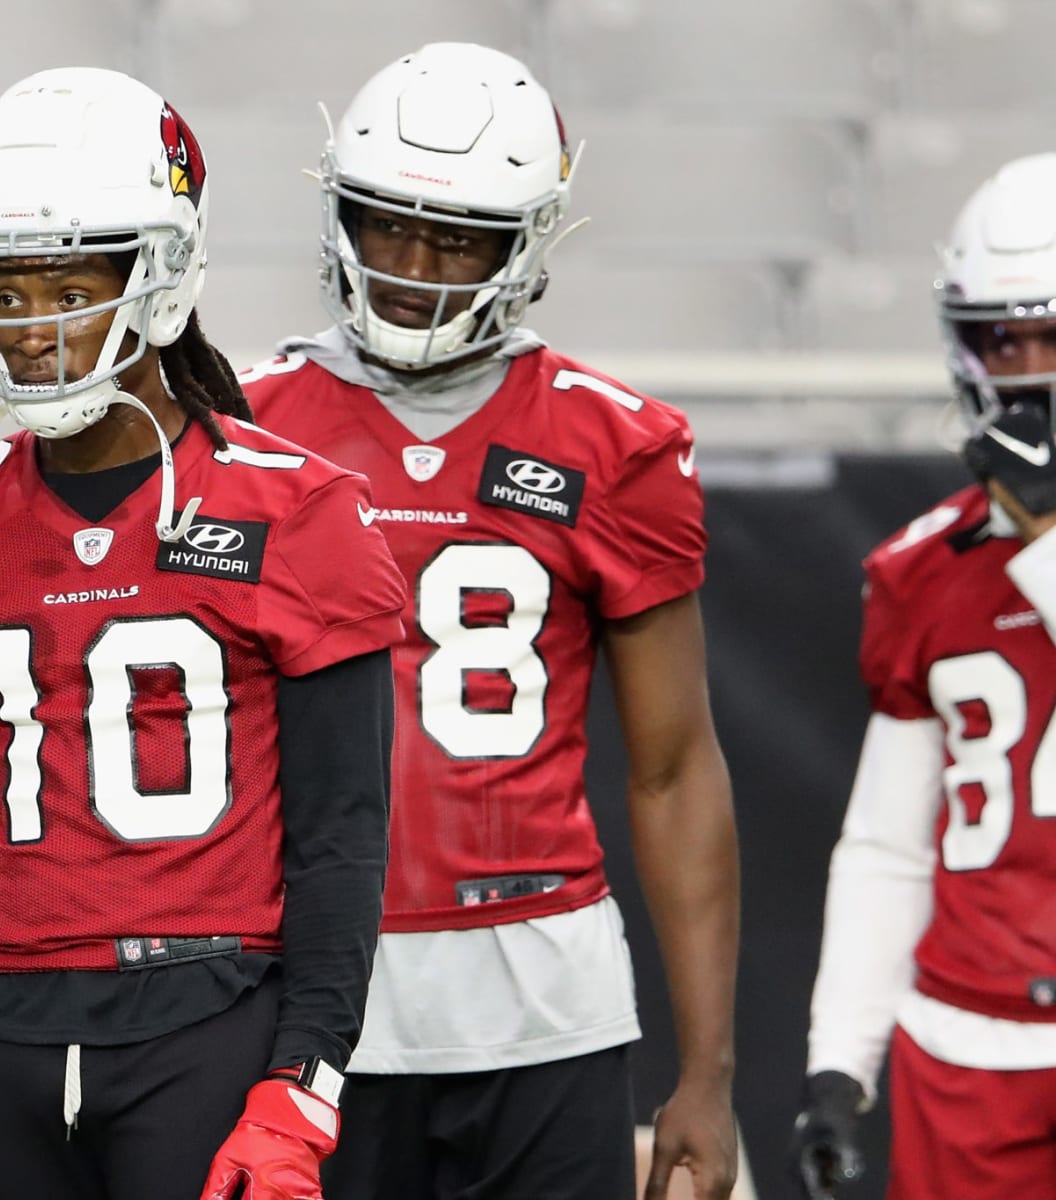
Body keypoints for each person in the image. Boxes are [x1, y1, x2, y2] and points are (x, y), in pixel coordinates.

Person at [0, 67, 406, 1200]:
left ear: (160, 278)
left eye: (67, 282)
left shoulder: (297, 513)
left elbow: (342, 845)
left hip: (205, 1023)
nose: (33, 324)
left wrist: (303, 1081)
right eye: (6, 289)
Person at [240, 42, 740, 1200]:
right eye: (387, 223)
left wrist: (707, 1071)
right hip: (302, 990)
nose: (414, 267)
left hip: (543, 998)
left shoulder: (616, 443)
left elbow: (673, 768)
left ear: (527, 246)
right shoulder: (245, 431)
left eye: (456, 235)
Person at [792, 151, 1056, 1200]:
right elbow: (890, 844)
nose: (1029, 371)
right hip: (971, 1040)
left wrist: (1041, 538)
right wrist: (837, 1060)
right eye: (1005, 338)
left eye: (1052, 338)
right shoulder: (922, 568)